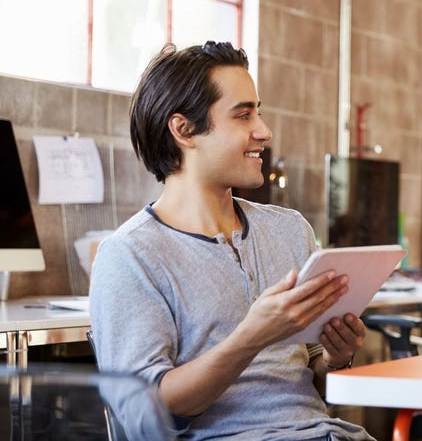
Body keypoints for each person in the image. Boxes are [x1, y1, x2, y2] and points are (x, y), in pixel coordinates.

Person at [89, 41, 374, 440]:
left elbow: (309, 383)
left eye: (258, 111)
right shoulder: (130, 255)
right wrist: (251, 336)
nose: (264, 131)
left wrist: (336, 357)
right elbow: (143, 415)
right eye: (243, 115)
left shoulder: (290, 229)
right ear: (184, 130)